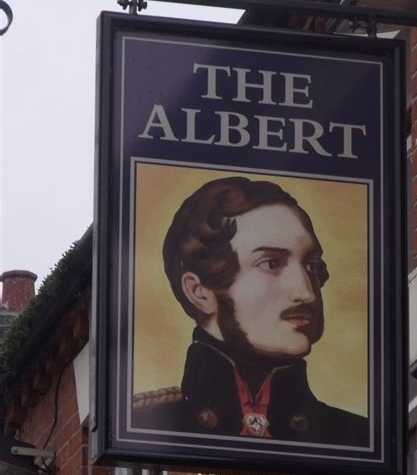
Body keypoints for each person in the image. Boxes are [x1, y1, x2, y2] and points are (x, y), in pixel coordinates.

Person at [133, 176, 368, 446]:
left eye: (311, 265)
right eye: (271, 263)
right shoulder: (150, 426)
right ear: (199, 291)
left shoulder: (355, 436)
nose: (307, 292)